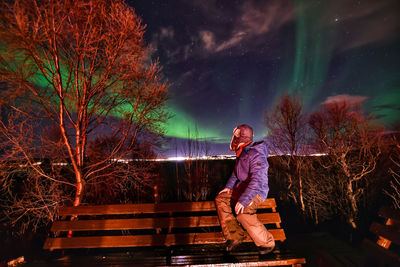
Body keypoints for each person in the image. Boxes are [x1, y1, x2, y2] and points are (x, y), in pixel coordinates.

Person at [215, 124, 275, 254]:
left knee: (243, 214)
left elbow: (257, 181)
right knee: (221, 199)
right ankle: (235, 236)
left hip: (256, 191)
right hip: (244, 189)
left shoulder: (256, 154)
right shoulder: (243, 152)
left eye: (237, 135)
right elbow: (236, 173)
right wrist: (228, 187)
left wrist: (243, 200)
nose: (234, 138)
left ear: (243, 136)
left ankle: (267, 243)